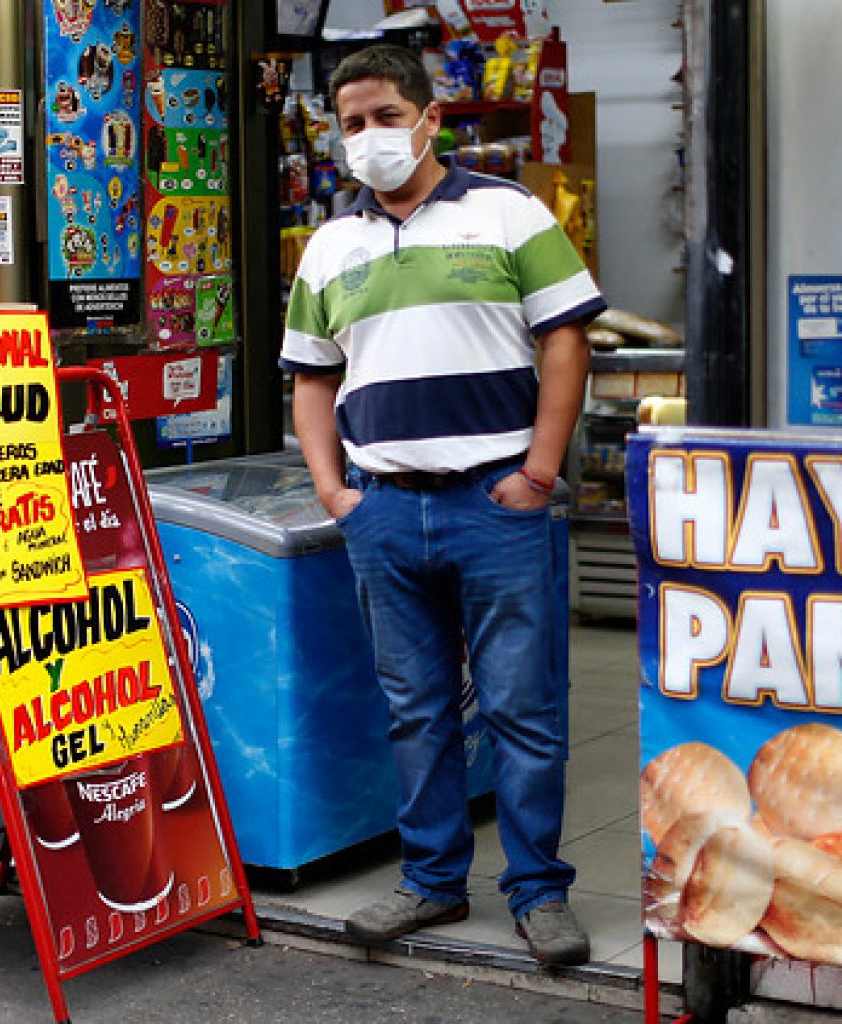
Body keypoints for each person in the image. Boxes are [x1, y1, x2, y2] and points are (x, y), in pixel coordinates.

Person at [279, 44, 605, 967]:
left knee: (522, 708)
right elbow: (312, 380)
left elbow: (567, 341)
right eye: (352, 123)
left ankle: (538, 892)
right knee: (416, 711)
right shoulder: (329, 246)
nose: (369, 137)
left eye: (386, 116)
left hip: (494, 504)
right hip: (384, 511)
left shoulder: (508, 211)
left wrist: (538, 472)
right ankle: (431, 882)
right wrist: (336, 492)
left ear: (429, 118)